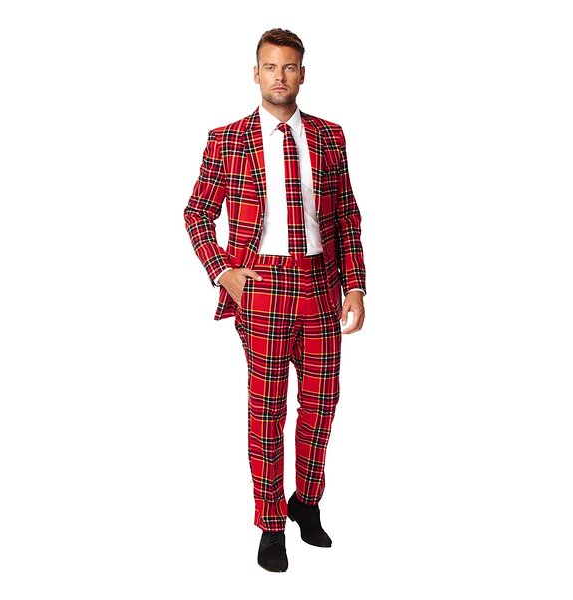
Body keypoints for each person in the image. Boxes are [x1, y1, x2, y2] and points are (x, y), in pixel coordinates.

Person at [184, 28, 366, 572]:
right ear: (256, 73)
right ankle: (270, 525)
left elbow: (345, 216)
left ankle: (306, 502)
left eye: (289, 67)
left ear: (302, 74)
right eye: (270, 67)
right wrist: (223, 272)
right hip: (260, 284)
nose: (279, 77)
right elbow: (196, 212)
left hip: (320, 282)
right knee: (267, 410)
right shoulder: (227, 139)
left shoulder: (330, 136)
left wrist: (355, 285)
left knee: (322, 403)